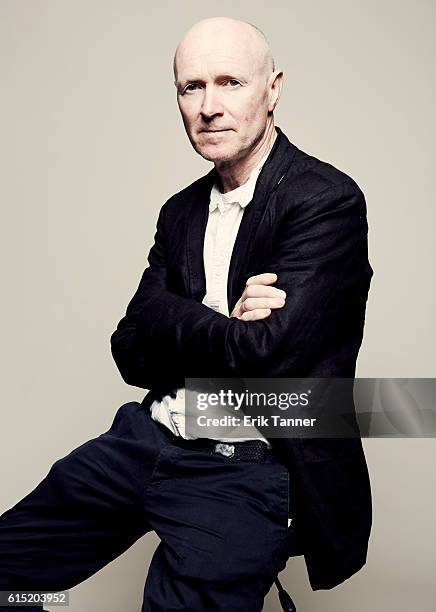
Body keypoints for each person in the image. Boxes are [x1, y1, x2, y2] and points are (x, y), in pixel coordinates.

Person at [0, 16, 373, 612]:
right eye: (191, 87)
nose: (209, 106)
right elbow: (128, 348)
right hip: (149, 438)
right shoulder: (179, 212)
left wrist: (168, 314)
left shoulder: (325, 200)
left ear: (273, 88)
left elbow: (266, 355)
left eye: (229, 82)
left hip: (244, 470)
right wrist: (226, 322)